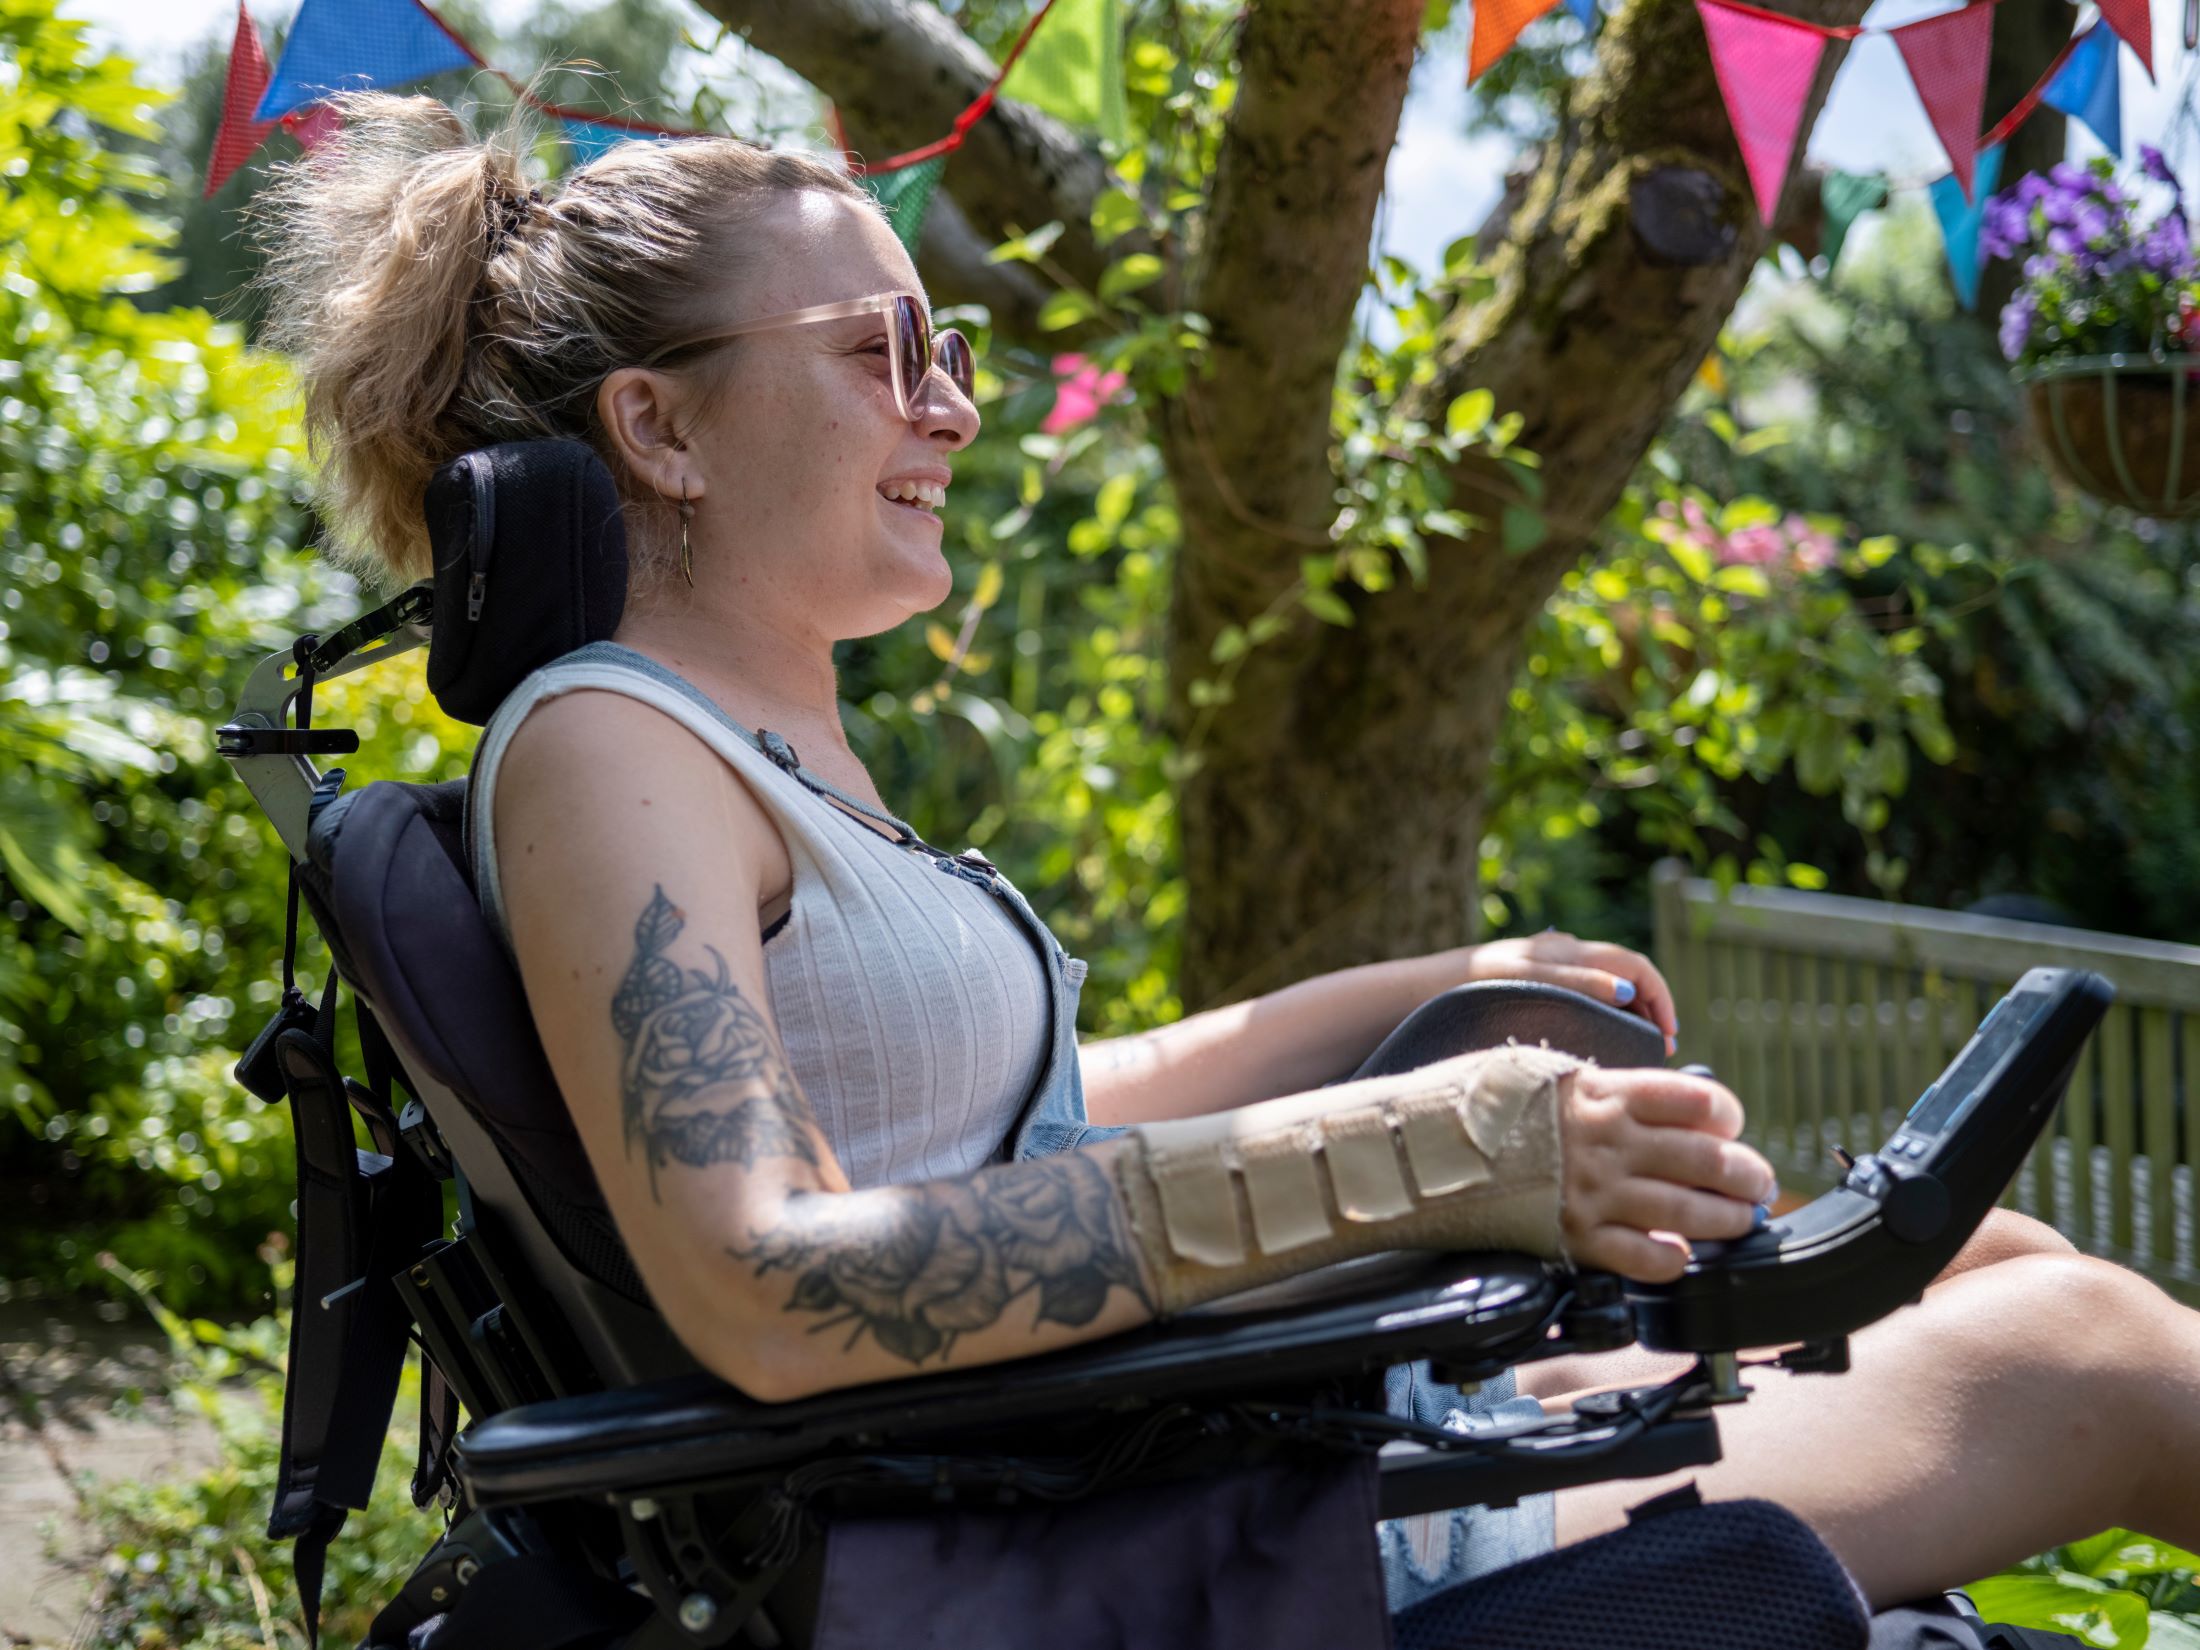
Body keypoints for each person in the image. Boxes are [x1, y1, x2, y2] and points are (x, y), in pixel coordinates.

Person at [254, 94, 2200, 1625]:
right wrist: (1447, 1146)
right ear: (658, 425)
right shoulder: (611, 750)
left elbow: (991, 1126)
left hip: (1126, 1458)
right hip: (1088, 1556)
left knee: (2001, 1254)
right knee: (2078, 1348)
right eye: (881, 347)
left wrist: (1401, 1008)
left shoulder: (752, 751)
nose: (953, 397)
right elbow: (770, 1283)